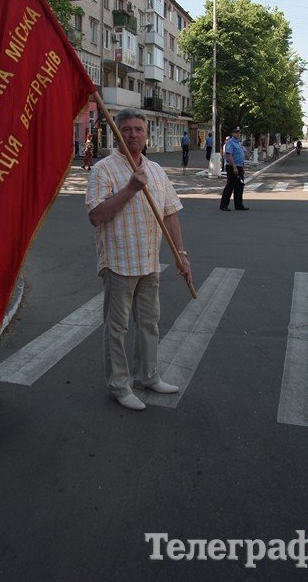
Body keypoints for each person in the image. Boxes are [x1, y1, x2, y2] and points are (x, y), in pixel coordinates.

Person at [85, 109, 193, 411]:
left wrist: (181, 255)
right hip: (119, 262)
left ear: (147, 135)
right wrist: (131, 189)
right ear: (116, 133)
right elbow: (96, 216)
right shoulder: (104, 170)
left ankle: (147, 375)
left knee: (149, 323)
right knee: (117, 329)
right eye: (127, 129)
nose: (133, 134)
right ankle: (119, 386)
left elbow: (170, 213)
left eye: (139, 129)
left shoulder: (156, 170)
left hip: (149, 261)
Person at [219, 125, 248, 212]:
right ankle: (223, 205)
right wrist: (234, 166)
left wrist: (242, 167)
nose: (238, 133)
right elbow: (229, 155)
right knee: (230, 186)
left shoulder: (238, 142)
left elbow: (240, 155)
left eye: (239, 132)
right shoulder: (230, 142)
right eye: (236, 132)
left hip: (239, 166)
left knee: (239, 186)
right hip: (232, 167)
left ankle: (239, 205)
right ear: (232, 133)